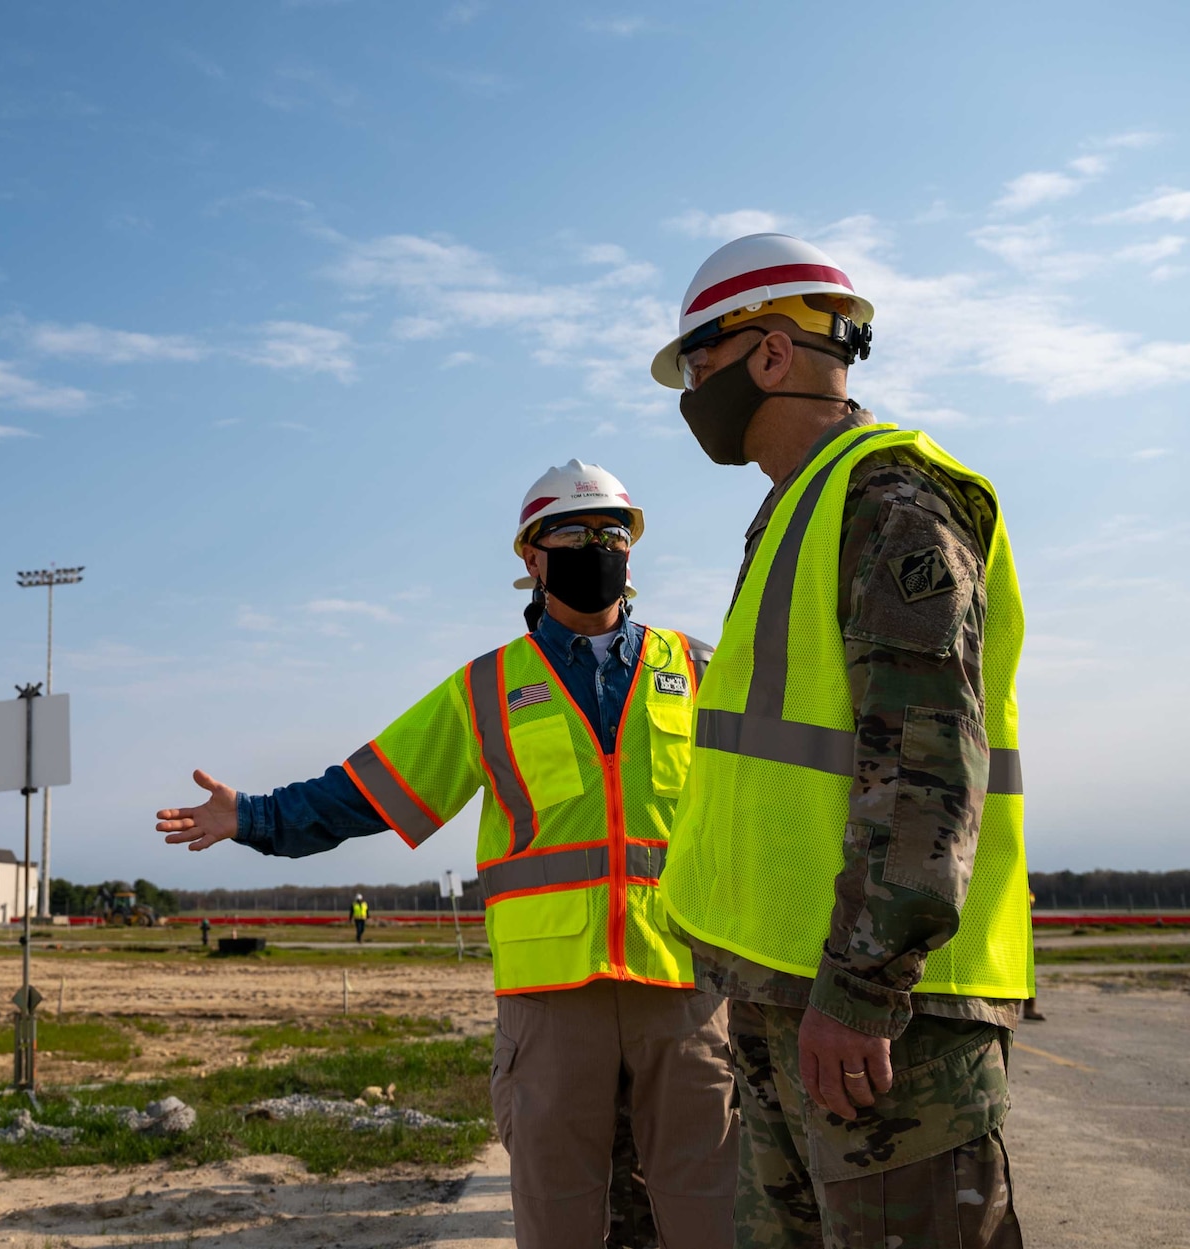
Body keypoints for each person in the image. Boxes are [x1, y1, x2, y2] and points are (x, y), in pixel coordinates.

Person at [157, 461, 737, 1249]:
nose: (597, 548)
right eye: (575, 534)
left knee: (715, 1215)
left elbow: (771, 803)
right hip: (551, 999)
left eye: (612, 534)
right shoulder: (487, 688)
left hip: (685, 987)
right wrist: (253, 816)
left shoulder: (700, 669)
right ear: (531, 557)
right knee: (558, 1216)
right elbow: (368, 789)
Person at [650, 233, 1031, 1248]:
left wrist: (858, 991)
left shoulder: (888, 503)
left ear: (769, 353)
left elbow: (922, 766)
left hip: (879, 1021)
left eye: (697, 365)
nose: (690, 394)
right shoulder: (798, 510)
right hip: (788, 999)